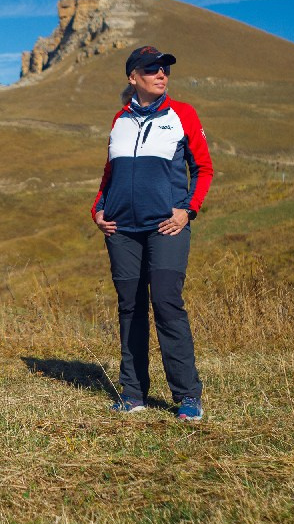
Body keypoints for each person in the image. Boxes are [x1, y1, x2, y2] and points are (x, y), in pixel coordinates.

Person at [91, 46, 213, 421]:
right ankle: (133, 394)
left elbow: (204, 168)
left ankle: (187, 396)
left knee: (166, 302)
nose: (161, 74)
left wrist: (187, 209)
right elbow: (109, 174)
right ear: (133, 77)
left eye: (165, 70)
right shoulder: (120, 120)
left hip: (166, 226)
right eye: (151, 69)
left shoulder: (183, 115)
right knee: (130, 307)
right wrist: (97, 210)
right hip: (121, 230)